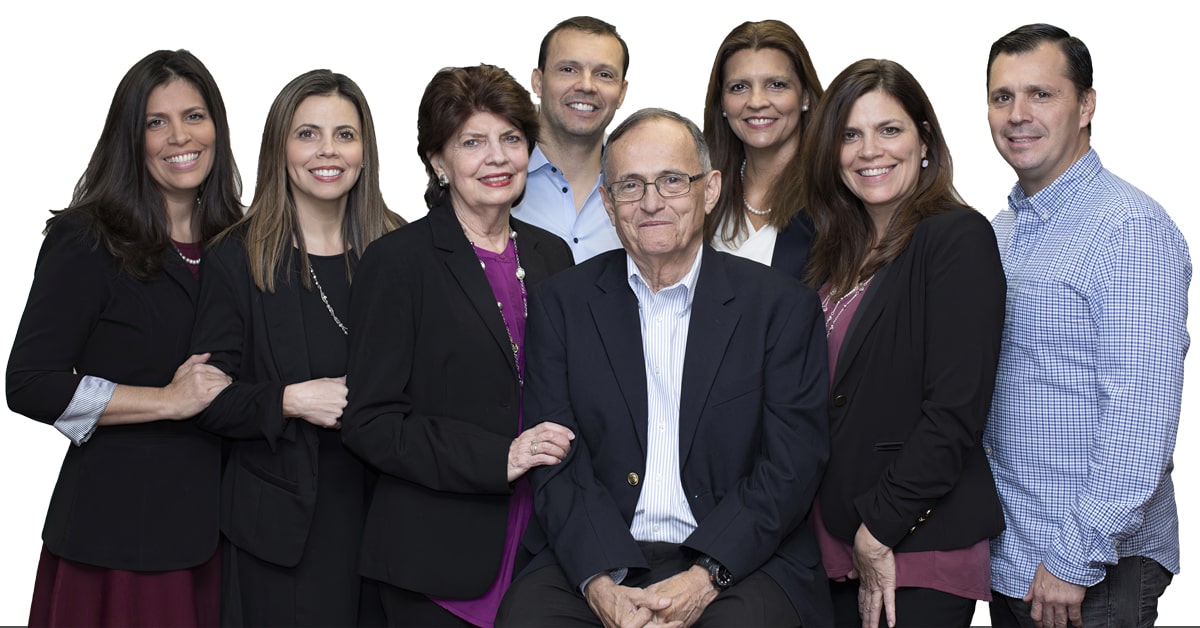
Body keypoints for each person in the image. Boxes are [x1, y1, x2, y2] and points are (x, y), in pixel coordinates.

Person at [496, 108, 832, 627]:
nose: (651, 202)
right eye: (630, 186)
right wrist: (601, 585)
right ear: (608, 203)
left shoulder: (780, 307)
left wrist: (705, 578)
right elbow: (556, 462)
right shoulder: (562, 304)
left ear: (711, 189)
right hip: (599, 551)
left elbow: (791, 466)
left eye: (673, 181)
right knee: (529, 618)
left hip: (737, 558)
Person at [6, 49, 242, 627]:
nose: (178, 136)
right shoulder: (86, 239)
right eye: (154, 122)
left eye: (194, 115)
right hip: (121, 547)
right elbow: (30, 383)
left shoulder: (239, 238)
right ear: (128, 138)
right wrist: (165, 399)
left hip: (226, 536)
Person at [342, 63, 576, 627]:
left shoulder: (552, 257)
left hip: (545, 549)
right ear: (438, 161)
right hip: (436, 559)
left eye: (511, 139)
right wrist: (500, 456)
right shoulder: (398, 263)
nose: (497, 158)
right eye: (472, 142)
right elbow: (371, 423)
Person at [983, 24, 1189, 628]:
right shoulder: (1001, 232)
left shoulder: (1130, 229)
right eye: (1002, 97)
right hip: (1014, 557)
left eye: (1041, 95)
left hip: (1089, 572)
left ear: (1087, 105)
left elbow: (1142, 413)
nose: (1018, 115)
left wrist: (1077, 557)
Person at [190, 69, 403, 626]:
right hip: (281, 533)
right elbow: (205, 400)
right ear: (279, 147)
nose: (327, 151)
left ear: (365, 151)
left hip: (389, 520)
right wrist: (288, 399)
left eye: (344, 135)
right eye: (307, 134)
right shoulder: (236, 257)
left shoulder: (401, 249)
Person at [800, 59, 1006, 628]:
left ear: (924, 142)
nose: (870, 150)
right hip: (833, 544)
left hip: (911, 544)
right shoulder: (831, 257)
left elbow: (955, 413)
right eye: (850, 134)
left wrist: (879, 530)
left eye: (889, 130)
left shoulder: (956, 238)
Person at [702, 19, 823, 278]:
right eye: (739, 87)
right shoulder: (701, 190)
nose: (756, 101)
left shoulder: (833, 191)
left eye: (776, 85)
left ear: (804, 96)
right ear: (722, 102)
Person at [511, 16, 628, 262]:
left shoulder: (643, 188)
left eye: (604, 74)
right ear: (538, 81)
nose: (586, 86)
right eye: (568, 69)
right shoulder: (495, 175)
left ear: (621, 93)